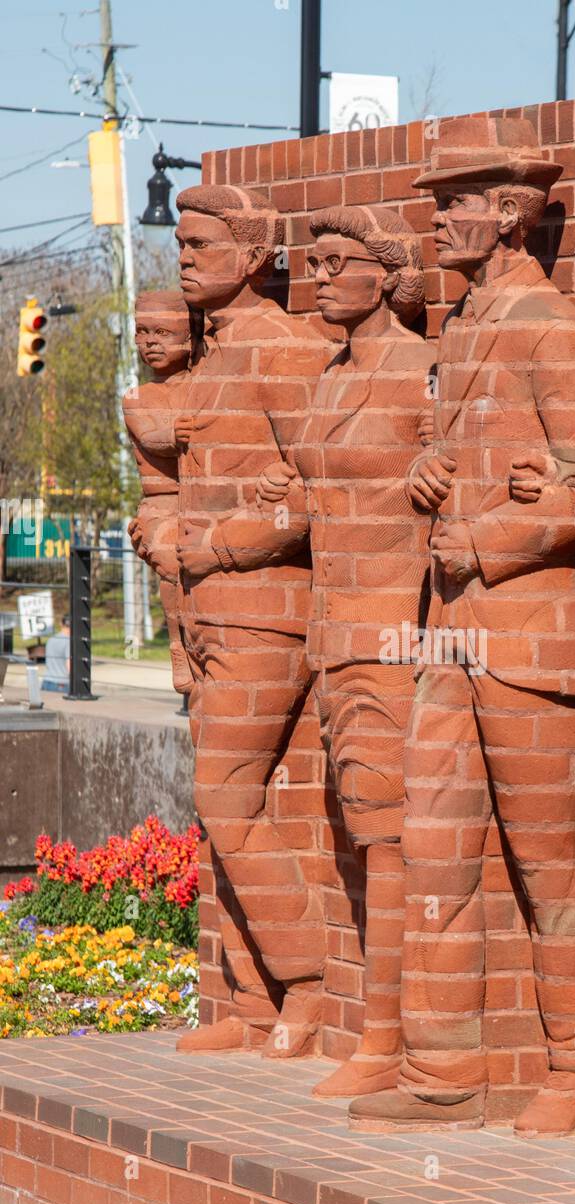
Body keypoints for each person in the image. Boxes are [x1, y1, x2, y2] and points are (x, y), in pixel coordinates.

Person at [350, 117, 575, 1137]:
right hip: (444, 637)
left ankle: (573, 1070)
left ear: (504, 212)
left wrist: (492, 538)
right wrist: (430, 484)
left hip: (528, 639)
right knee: (434, 846)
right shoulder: (460, 331)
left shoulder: (551, 327)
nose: (435, 221)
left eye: (449, 202)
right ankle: (444, 1070)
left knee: (550, 868)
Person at [257, 203, 434, 1097]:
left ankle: (389, 1042)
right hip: (334, 633)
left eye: (335, 262)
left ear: (384, 273)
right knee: (367, 834)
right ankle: (374, 1026)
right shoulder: (330, 377)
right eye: (312, 263)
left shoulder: (422, 371)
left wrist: (436, 476)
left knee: (391, 833)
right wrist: (290, 484)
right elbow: (324, 482)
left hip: (394, 632)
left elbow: (457, 470)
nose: (318, 277)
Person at [171, 184, 334, 1059]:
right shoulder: (217, 353)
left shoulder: (284, 351)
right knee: (225, 803)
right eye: (180, 243)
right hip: (210, 616)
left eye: (201, 243)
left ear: (253, 255)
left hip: (265, 617)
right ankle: (248, 996)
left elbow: (318, 491)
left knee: (225, 797)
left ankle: (305, 982)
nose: (184, 256)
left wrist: (221, 547)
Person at [123, 289, 198, 696]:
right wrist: (176, 431)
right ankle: (177, 643)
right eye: (142, 332)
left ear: (189, 338)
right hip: (162, 504)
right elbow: (156, 438)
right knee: (170, 555)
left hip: (199, 500)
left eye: (163, 333)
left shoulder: (202, 385)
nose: (150, 342)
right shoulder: (137, 397)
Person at [41, 614, 70, 693]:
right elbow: (69, 665)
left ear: (61, 623)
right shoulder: (69, 642)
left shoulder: (51, 639)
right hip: (61, 684)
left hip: (46, 681)